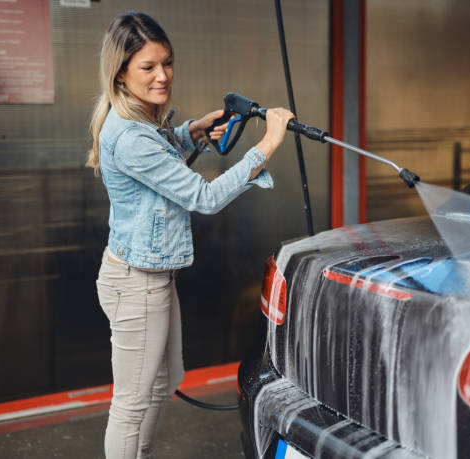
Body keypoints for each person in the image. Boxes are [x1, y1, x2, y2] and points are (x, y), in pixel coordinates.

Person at [86, 11, 294, 459]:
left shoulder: (143, 123)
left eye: (168, 63)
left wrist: (192, 131)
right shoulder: (131, 136)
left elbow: (160, 156)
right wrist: (267, 145)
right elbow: (204, 197)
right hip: (136, 285)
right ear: (120, 73)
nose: (163, 76)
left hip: (151, 278)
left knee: (162, 384)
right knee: (132, 403)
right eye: (148, 67)